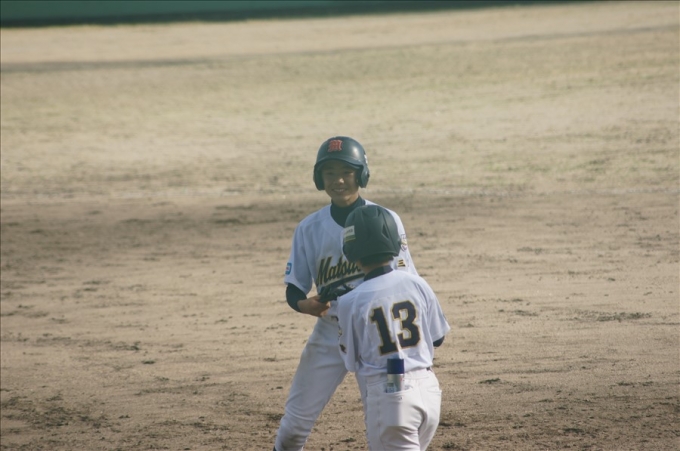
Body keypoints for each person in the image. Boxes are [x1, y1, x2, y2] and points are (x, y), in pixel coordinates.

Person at [273, 136, 419, 451]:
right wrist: (305, 305)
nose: (338, 180)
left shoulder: (385, 219)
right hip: (330, 332)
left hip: (378, 335)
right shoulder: (309, 228)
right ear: (319, 178)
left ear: (361, 174)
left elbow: (406, 280)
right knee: (293, 428)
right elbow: (294, 287)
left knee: (390, 423)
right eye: (330, 173)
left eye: (346, 172)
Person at [336, 204, 450, 450]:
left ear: (350, 250)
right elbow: (437, 338)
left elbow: (351, 361)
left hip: (391, 397)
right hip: (429, 392)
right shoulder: (418, 284)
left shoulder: (349, 301)